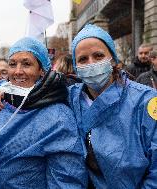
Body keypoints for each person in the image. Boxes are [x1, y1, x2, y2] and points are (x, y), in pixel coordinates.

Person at [0, 37, 87, 188]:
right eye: (12, 64)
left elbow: (66, 179)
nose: (18, 71)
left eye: (26, 64)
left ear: (42, 71)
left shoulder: (58, 116)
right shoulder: (0, 104)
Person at [68, 24, 157, 188]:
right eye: (82, 59)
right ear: (75, 67)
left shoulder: (146, 100)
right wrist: (6, 91)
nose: (91, 64)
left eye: (99, 56)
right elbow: (34, 100)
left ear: (114, 59)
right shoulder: (69, 99)